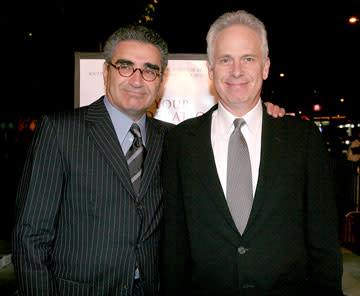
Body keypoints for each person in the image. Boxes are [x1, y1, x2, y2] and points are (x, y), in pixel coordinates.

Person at [11, 25, 284, 296]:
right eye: (125, 67)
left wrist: (261, 113)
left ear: (161, 79)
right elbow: (30, 237)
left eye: (150, 70)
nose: (137, 80)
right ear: (106, 72)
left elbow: (220, 123)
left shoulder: (175, 140)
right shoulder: (61, 132)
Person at [160, 10, 343, 296]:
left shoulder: (303, 139)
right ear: (210, 70)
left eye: (248, 59)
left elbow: (324, 243)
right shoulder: (180, 143)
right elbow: (173, 244)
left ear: (266, 67)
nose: (236, 71)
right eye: (225, 60)